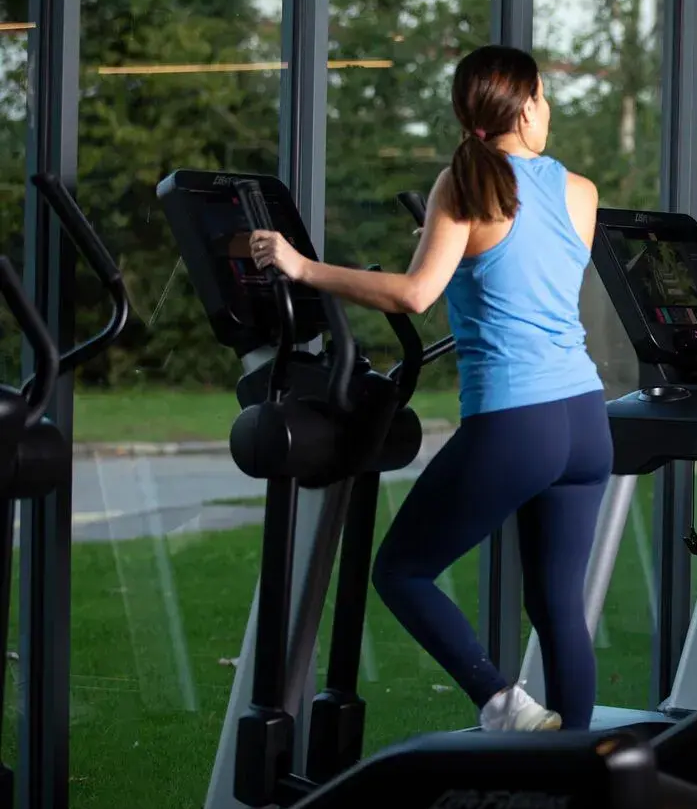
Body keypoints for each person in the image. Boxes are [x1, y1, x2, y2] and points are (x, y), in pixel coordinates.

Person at [249, 45, 609, 733]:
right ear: (528, 105)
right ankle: (581, 776)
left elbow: (417, 293)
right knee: (559, 604)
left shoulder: (462, 185)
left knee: (401, 572)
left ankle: (503, 705)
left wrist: (303, 267)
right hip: (584, 421)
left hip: (517, 421)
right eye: (544, 96)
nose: (548, 108)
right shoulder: (581, 191)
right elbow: (525, 269)